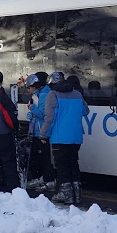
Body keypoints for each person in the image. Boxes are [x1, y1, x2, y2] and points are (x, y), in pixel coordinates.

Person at [39, 72, 89, 205]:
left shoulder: (53, 95)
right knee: (73, 163)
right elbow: (86, 111)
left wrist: (43, 134)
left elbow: (49, 118)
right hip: (75, 136)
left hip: (59, 137)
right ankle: (76, 193)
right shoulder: (77, 94)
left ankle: (65, 194)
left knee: (62, 165)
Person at [25, 73, 55, 190]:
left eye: (29, 88)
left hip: (41, 131)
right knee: (38, 156)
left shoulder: (43, 95)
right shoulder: (40, 94)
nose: (28, 90)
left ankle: (47, 179)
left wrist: (32, 109)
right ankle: (42, 178)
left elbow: (43, 114)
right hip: (39, 130)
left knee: (42, 157)